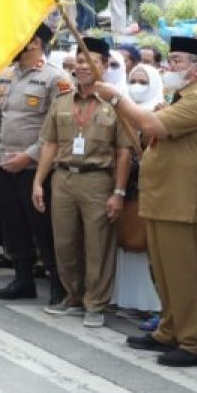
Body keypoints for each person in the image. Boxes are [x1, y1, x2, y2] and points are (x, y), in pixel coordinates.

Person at [95, 36, 197, 368]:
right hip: (169, 198)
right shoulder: (184, 97)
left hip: (188, 202)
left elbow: (150, 125)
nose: (169, 66)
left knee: (189, 274)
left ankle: (195, 343)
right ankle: (170, 330)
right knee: (166, 273)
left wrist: (116, 98)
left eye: (177, 61)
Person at [32, 37, 130, 327]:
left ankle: (95, 303)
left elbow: (123, 152)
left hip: (97, 180)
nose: (84, 65)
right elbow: (49, 144)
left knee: (98, 245)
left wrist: (119, 192)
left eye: (91, 60)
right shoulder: (62, 102)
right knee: (64, 242)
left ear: (105, 66)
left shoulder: (115, 104)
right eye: (81, 59)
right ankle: (73, 296)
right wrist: (39, 181)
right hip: (62, 179)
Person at [0, 24, 72, 304]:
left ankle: (58, 285)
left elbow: (56, 127)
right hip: (5, 163)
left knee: (42, 227)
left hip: (36, 168)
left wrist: (29, 156)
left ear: (35, 42)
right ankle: (22, 279)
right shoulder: (5, 76)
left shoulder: (56, 79)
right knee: (12, 223)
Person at [113, 64, 164, 316]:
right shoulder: (118, 107)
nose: (137, 86)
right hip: (123, 186)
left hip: (149, 188)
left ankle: (151, 305)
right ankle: (124, 299)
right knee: (124, 244)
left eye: (144, 82)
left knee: (146, 245)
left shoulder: (161, 111)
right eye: (133, 80)